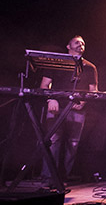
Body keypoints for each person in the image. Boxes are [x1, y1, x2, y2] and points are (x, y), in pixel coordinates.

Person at [40, 35, 98, 187]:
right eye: (77, 42)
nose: (81, 45)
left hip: (77, 110)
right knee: (53, 141)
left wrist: (84, 102)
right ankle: (48, 179)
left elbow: (94, 91)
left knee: (73, 144)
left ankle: (63, 178)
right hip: (56, 108)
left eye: (83, 43)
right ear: (68, 46)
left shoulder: (89, 67)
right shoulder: (56, 63)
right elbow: (44, 85)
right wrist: (51, 99)